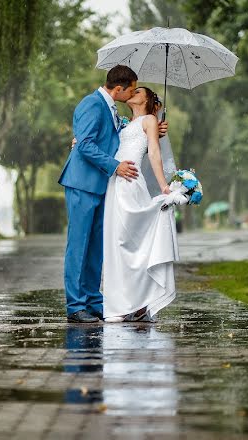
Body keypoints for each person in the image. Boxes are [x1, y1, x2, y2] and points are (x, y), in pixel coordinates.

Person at [59, 66, 170, 324]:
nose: (133, 92)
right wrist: (115, 166)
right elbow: (85, 144)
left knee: (96, 247)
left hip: (102, 186)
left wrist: (152, 127)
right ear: (119, 89)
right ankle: (75, 306)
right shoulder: (91, 104)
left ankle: (92, 301)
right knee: (79, 246)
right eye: (132, 88)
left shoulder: (111, 109)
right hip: (82, 183)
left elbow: (119, 133)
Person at [101, 86, 179, 323]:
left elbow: (154, 153)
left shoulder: (149, 121)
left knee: (133, 243)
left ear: (147, 99)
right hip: (115, 183)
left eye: (138, 91)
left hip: (132, 182)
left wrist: (164, 186)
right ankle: (123, 302)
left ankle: (140, 302)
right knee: (116, 244)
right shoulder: (123, 124)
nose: (132, 93)